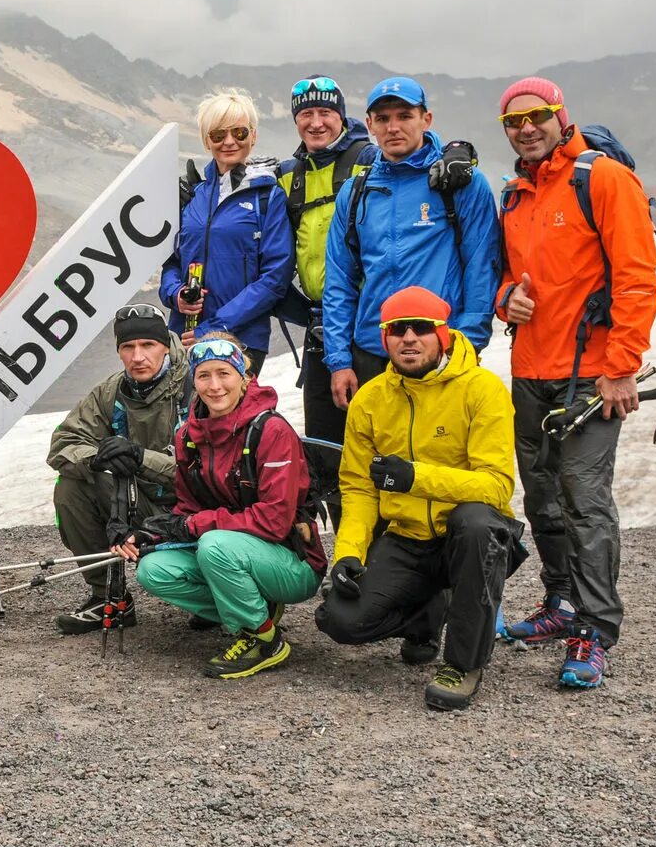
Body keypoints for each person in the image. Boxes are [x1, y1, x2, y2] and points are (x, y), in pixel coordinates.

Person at [494, 77, 656, 689]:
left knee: (585, 501)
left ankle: (595, 628)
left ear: (561, 116)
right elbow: (505, 277)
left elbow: (638, 277)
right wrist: (504, 297)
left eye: (538, 116)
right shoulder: (514, 194)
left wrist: (621, 367)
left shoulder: (603, 179)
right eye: (514, 121)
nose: (527, 128)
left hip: (591, 377)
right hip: (531, 371)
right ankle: (561, 604)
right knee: (542, 498)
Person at [313, 287, 523, 711]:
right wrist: (349, 554)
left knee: (477, 523)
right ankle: (430, 611)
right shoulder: (370, 400)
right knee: (338, 619)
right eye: (397, 329)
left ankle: (463, 664)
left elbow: (497, 486)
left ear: (443, 334)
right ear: (384, 337)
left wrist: (416, 478)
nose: (409, 338)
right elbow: (357, 488)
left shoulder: (483, 388)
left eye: (421, 328)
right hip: (408, 537)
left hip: (468, 537)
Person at [117, 334, 327, 678]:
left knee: (215, 546)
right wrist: (153, 535)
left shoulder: (270, 431)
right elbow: (188, 507)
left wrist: (194, 526)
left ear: (243, 377)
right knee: (153, 570)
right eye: (204, 375)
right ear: (193, 380)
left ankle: (262, 639)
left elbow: (275, 521)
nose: (214, 386)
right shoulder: (188, 436)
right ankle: (257, 611)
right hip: (235, 552)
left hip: (293, 560)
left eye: (224, 373)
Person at [323, 78, 499, 411]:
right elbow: (339, 279)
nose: (394, 127)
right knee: (373, 459)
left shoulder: (459, 182)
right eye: (384, 118)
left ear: (426, 119)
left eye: (404, 115)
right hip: (373, 352)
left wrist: (468, 346)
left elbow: (481, 266)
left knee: (440, 459)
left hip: (440, 352)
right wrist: (339, 360)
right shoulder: (356, 190)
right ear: (370, 124)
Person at [45, 304, 186, 635]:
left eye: (147, 345)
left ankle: (219, 598)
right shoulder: (111, 392)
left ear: (165, 344)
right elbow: (64, 444)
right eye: (128, 347)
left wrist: (140, 458)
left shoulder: (198, 385)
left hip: (197, 505)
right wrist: (98, 459)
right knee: (72, 486)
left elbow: (208, 470)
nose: (138, 356)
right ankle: (108, 598)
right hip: (145, 501)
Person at [276, 76, 377, 518]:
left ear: (341, 115)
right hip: (320, 324)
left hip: (368, 320)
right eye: (306, 115)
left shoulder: (367, 160)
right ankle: (350, 559)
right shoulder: (288, 176)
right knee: (324, 445)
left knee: (377, 440)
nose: (316, 123)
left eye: (325, 113)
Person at [159, 89, 293, 375]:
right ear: (206, 141)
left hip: (241, 339)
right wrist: (177, 295)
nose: (229, 141)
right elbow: (170, 262)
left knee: (233, 419)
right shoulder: (191, 194)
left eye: (240, 133)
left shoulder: (268, 196)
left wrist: (215, 327)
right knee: (187, 420)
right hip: (183, 337)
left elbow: (274, 278)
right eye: (218, 135)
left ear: (253, 136)